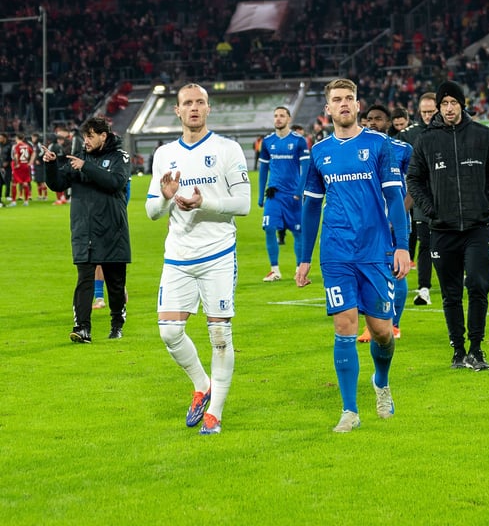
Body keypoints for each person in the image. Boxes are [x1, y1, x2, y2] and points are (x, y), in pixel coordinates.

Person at [295, 79, 410, 432]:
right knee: (344, 326)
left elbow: (394, 198)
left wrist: (402, 245)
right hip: (336, 252)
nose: (343, 104)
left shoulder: (379, 145)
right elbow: (311, 208)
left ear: (358, 105)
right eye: (336, 100)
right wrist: (304, 257)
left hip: (376, 250)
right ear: (327, 109)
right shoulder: (318, 152)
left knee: (381, 332)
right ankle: (349, 411)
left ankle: (381, 380)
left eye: (349, 98)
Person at [145, 83, 251, 436]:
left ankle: (215, 413)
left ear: (209, 109)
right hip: (177, 256)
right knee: (170, 332)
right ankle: (202, 385)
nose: (194, 108)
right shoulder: (163, 154)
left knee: (219, 333)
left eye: (200, 102)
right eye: (187, 103)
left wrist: (205, 202)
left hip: (218, 253)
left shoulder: (227, 149)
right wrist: (164, 196)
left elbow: (244, 204)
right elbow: (151, 211)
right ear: (177, 111)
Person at [407, 80, 489, 371]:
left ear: (463, 104)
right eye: (444, 103)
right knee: (451, 293)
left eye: (454, 103)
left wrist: (486, 205)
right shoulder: (426, 140)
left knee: (476, 284)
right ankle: (458, 350)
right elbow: (414, 179)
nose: (449, 108)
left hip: (477, 227)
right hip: (442, 229)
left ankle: (476, 348)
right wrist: (431, 209)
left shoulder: (482, 135)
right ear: (438, 107)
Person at [43, 117, 131, 343]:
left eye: (91, 136)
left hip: (112, 229)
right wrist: (51, 164)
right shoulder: (79, 158)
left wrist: (87, 167)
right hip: (85, 230)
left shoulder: (119, 157)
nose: (87, 141)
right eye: (85, 137)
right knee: (84, 280)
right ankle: (82, 328)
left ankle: (116, 323)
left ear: (104, 135)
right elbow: (57, 184)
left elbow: (115, 183)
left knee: (115, 282)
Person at [357, 103, 412, 342]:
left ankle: (395, 324)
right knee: (367, 270)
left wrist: (399, 214)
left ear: (388, 123)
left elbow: (415, 186)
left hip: (393, 221)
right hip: (366, 223)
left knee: (397, 270)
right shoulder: (357, 148)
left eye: (378, 119)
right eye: (368, 119)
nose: (372, 123)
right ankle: (373, 324)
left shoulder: (403, 149)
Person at [257, 106, 309, 283]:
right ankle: (274, 270)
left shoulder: (298, 141)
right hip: (274, 195)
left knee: (298, 233)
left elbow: (306, 168)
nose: (278, 119)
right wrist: (259, 195)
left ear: (289, 119)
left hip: (293, 195)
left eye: (282, 116)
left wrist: (299, 191)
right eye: (276, 116)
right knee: (269, 228)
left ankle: (298, 270)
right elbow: (263, 169)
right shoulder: (267, 142)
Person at [396, 92, 438, 306]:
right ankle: (424, 289)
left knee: (453, 242)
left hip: (449, 197)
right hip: (421, 198)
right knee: (425, 243)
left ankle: (458, 279)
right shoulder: (409, 135)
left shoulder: (450, 131)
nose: (428, 115)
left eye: (432, 111)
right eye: (424, 112)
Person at [10, 133, 35, 206]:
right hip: (26, 165)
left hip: (19, 166)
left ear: (16, 138)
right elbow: (33, 153)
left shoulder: (17, 146)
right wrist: (30, 162)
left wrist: (17, 163)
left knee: (14, 183)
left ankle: (14, 201)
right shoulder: (27, 146)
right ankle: (26, 201)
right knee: (25, 182)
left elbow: (16, 155)